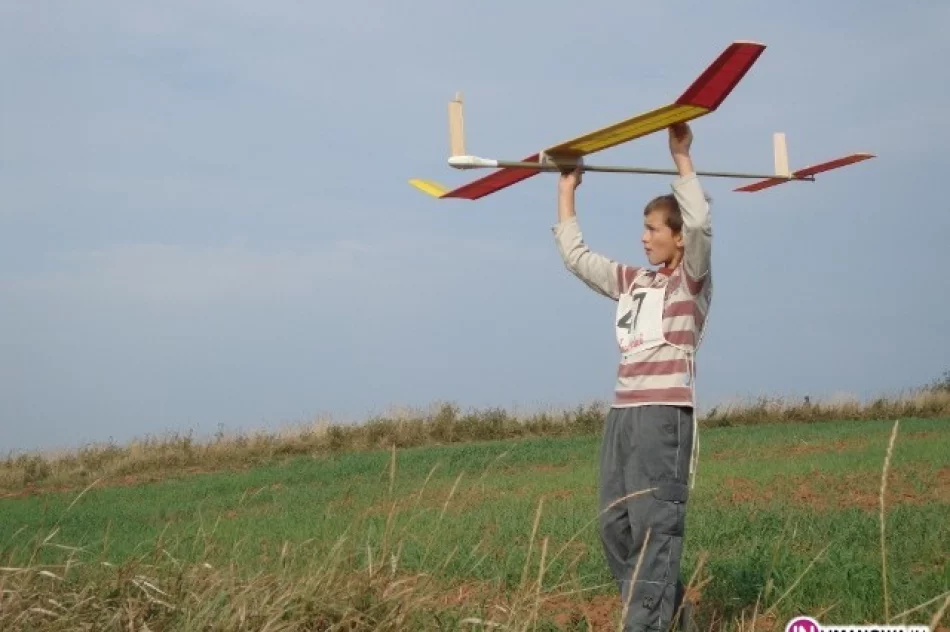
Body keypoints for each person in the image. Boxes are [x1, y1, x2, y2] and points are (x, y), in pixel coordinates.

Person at [552, 122, 712, 632]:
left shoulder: (691, 281)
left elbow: (702, 224)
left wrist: (681, 157)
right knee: (614, 527)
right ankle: (676, 619)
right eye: (642, 229)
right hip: (622, 416)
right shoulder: (633, 281)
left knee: (653, 529)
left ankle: (644, 626)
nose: (643, 239)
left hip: (663, 420)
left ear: (677, 237)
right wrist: (566, 190)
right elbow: (578, 259)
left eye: (653, 230)